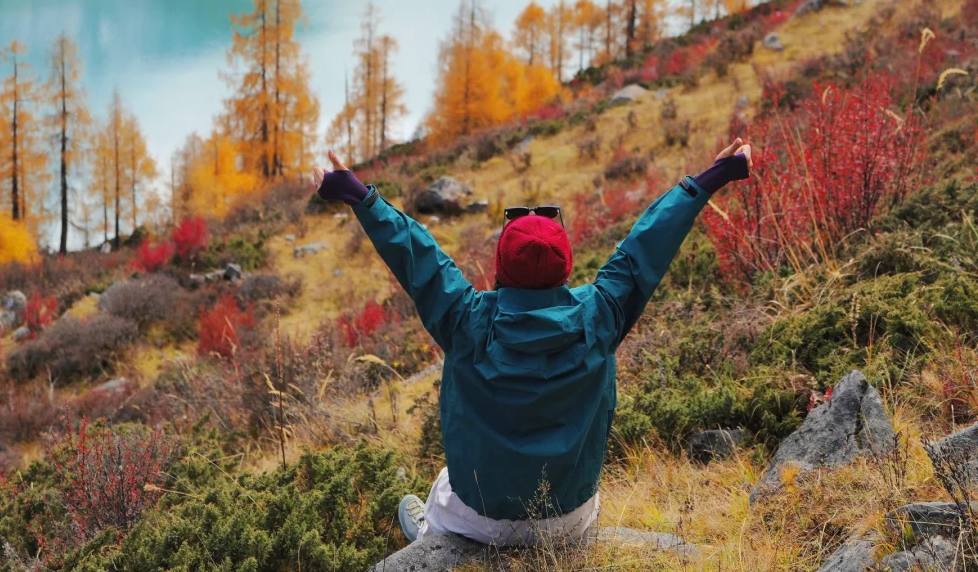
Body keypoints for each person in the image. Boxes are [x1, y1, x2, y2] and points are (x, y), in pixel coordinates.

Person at [312, 136, 752, 547]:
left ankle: (435, 532)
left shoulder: (467, 320)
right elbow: (647, 244)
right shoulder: (600, 315)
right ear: (566, 269)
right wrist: (709, 180)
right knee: (561, 505)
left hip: (480, 518)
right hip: (568, 518)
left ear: (500, 268)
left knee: (442, 488)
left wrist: (361, 195)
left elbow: (418, 256)